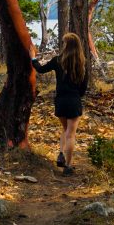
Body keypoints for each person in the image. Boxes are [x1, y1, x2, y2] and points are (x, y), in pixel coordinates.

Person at [32, 32, 89, 175]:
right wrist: (77, 96)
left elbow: (40, 69)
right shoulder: (82, 64)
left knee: (65, 130)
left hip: (60, 101)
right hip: (74, 101)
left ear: (66, 45)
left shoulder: (58, 60)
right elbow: (83, 88)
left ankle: (61, 153)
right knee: (71, 134)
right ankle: (68, 166)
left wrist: (33, 57)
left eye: (63, 43)